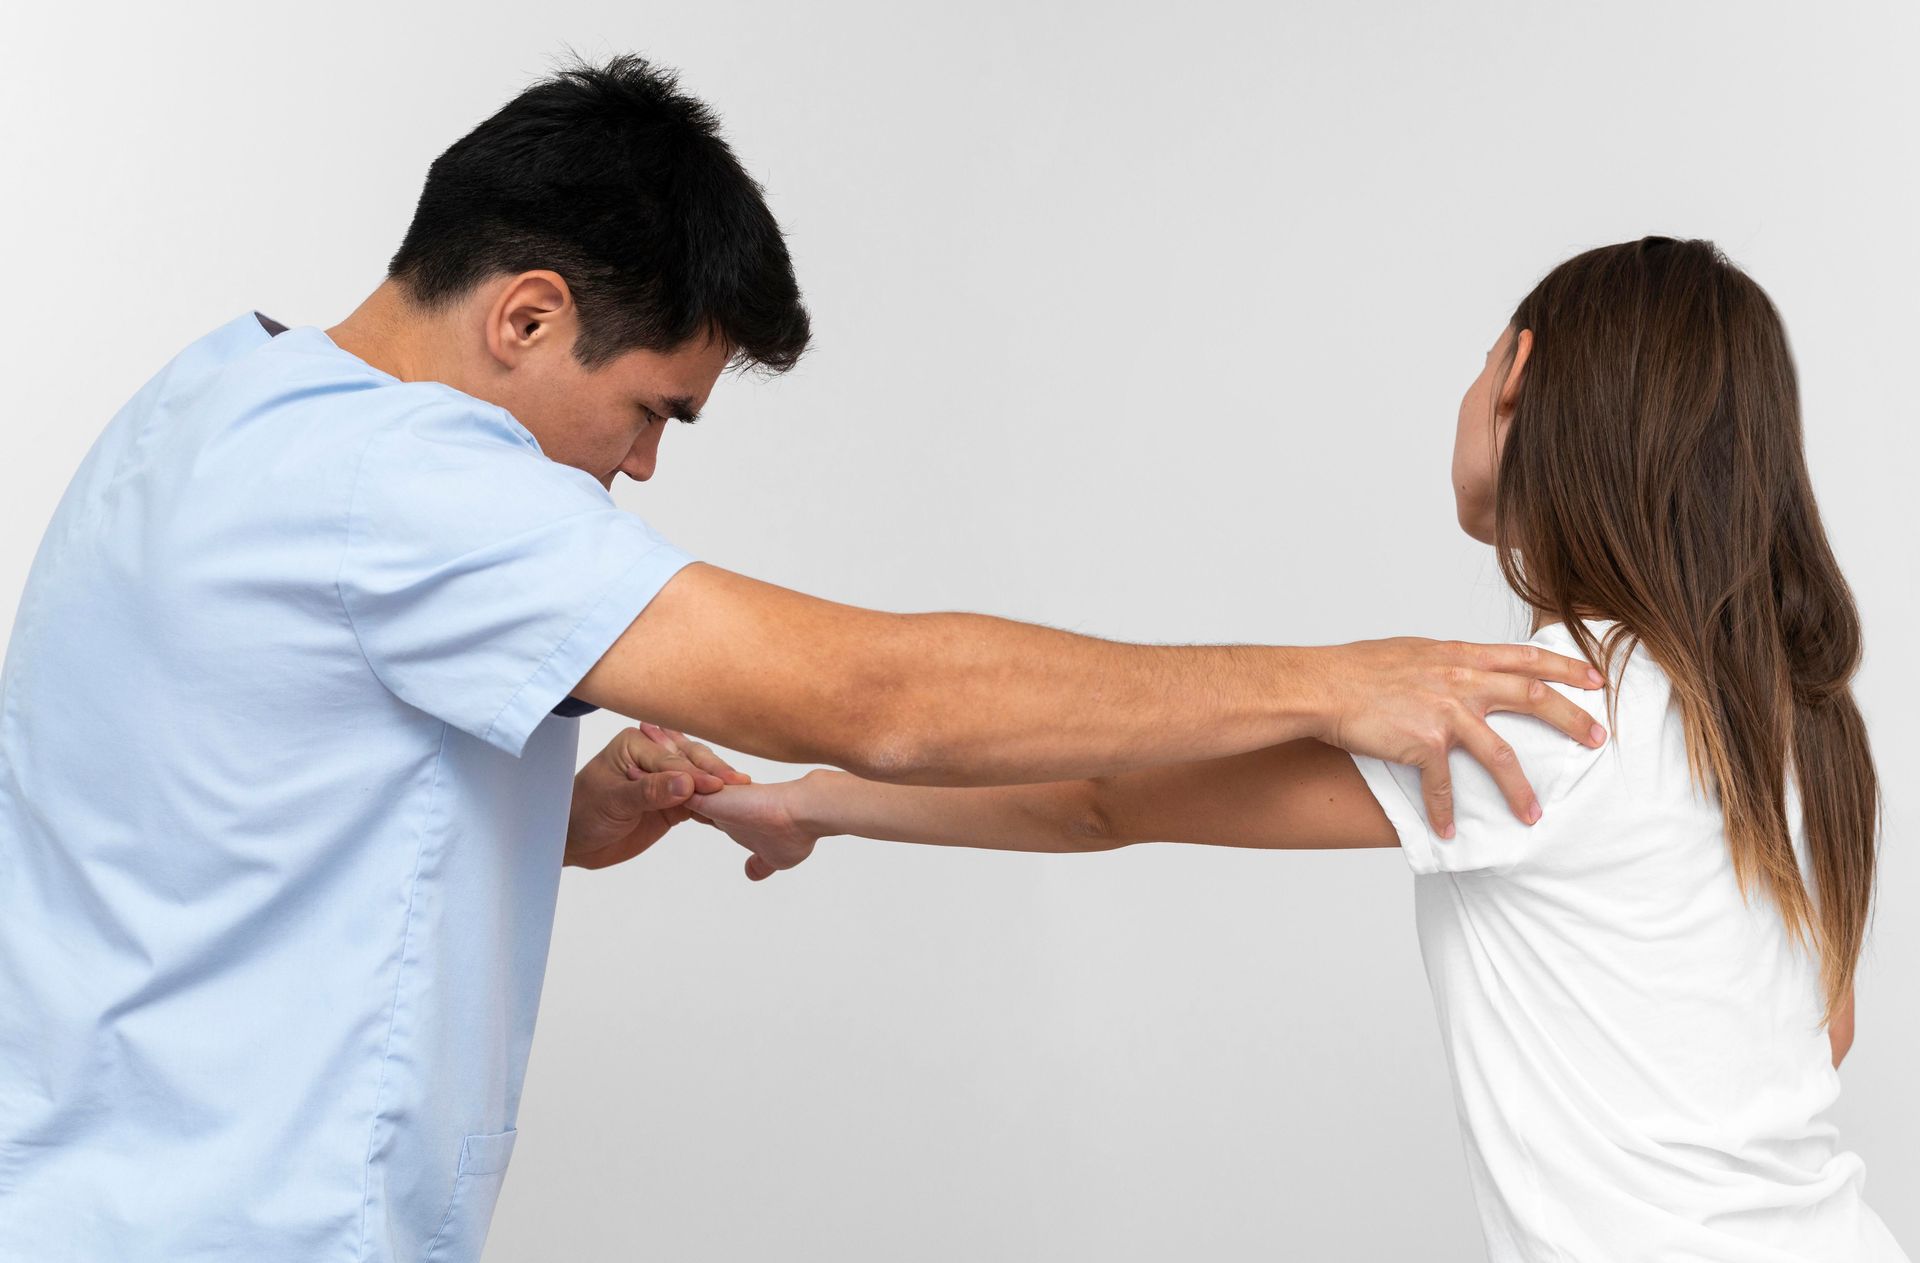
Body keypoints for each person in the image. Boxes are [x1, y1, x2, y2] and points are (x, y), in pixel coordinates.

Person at [0, 55, 1607, 1263]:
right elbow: (879, 699)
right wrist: (1334, 675)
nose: (638, 470)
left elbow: (218, 802)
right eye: (650, 410)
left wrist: (553, 818)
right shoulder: (408, 485)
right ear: (527, 317)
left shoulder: (208, 407)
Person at [695, 238, 1908, 1262]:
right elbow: (1817, 1034)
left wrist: (816, 803)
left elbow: (1100, 798)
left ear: (1519, 381)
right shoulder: (1790, 719)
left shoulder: (1558, 710)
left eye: (1483, 354)